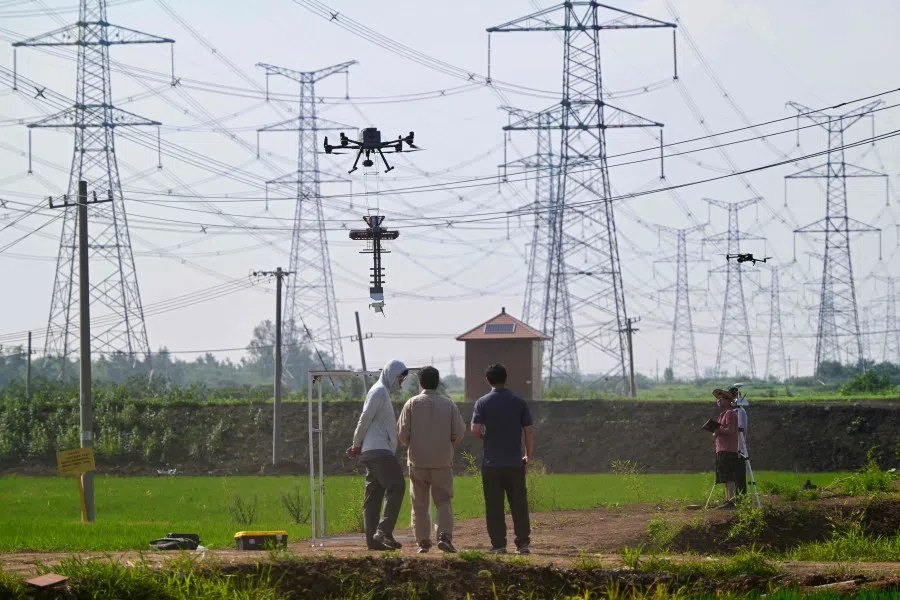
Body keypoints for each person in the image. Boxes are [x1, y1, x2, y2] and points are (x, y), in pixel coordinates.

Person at [397, 365, 466, 554]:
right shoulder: (449, 404)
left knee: (419, 503)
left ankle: (423, 542)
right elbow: (458, 434)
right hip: (442, 460)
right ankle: (444, 536)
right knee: (443, 500)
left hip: (417, 461)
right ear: (438, 382)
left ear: (420, 383)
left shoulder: (411, 404)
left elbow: (403, 435)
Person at [471, 363, 534, 555]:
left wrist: (486, 437)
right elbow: (529, 430)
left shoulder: (482, 402)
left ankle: (499, 544)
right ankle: (522, 543)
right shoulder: (519, 402)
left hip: (492, 463)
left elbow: (475, 430)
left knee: (494, 505)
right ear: (505, 378)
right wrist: (527, 454)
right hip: (515, 462)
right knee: (519, 504)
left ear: (488, 380)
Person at [347, 359, 409, 551]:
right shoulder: (379, 391)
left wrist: (359, 446)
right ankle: (383, 531)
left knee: (373, 497)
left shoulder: (382, 392)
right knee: (397, 486)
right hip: (378, 451)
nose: (401, 382)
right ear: (391, 375)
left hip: (374, 451)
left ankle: (373, 541)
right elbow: (364, 417)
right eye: (400, 377)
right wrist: (356, 444)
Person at [712, 388, 740, 509]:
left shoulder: (730, 413)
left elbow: (731, 430)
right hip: (721, 449)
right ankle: (728, 500)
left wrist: (719, 430)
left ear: (728, 401)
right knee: (725, 476)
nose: (719, 400)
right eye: (718, 398)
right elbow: (717, 433)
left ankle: (731, 501)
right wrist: (716, 431)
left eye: (721, 398)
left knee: (729, 476)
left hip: (728, 449)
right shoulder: (721, 415)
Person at [729, 386, 749, 497]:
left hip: (739, 447)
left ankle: (741, 497)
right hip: (733, 447)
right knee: (734, 474)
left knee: (739, 474)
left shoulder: (739, 411)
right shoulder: (734, 411)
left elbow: (740, 428)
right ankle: (737, 496)